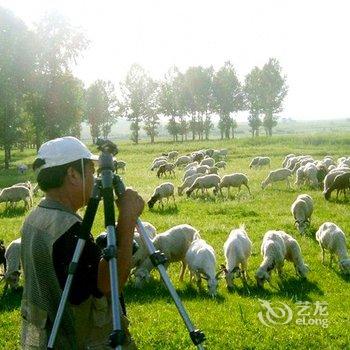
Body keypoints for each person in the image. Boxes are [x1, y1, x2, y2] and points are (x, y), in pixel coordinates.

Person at [20, 136, 144, 349]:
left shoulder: (35, 217)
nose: (96, 180)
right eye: (90, 172)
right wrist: (127, 218)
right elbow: (109, 284)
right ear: (73, 175)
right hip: (78, 340)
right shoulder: (68, 231)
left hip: (48, 337)